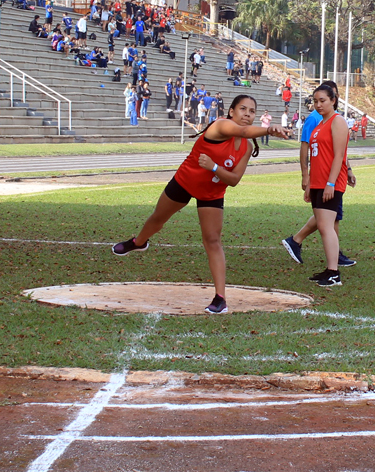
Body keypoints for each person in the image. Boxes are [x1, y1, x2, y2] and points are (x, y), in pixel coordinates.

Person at [112, 95, 289, 314]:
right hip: (185, 181)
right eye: (242, 109)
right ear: (231, 111)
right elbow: (242, 131)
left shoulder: (244, 147)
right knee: (158, 218)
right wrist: (270, 130)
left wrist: (214, 167)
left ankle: (220, 298)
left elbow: (233, 180)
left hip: (212, 192)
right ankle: (139, 242)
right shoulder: (221, 125)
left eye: (252, 111)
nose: (247, 114)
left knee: (212, 240)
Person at [303, 83, 351, 286]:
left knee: (326, 227)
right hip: (317, 181)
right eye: (315, 101)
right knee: (323, 227)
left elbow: (339, 155)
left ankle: (334, 273)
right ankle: (330, 269)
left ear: (333, 100)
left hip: (330, 182)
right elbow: (316, 156)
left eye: (322, 100)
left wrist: (331, 183)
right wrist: (309, 184)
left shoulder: (337, 121)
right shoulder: (320, 124)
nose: (318, 104)